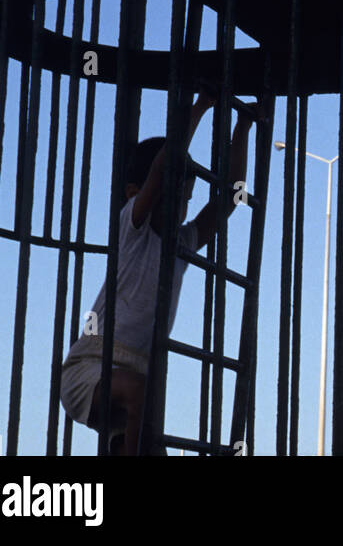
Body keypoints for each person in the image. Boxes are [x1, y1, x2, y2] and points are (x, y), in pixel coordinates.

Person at [59, 86, 259, 454]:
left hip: (138, 381)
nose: (178, 207)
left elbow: (230, 198)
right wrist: (200, 107)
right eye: (168, 197)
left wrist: (242, 128)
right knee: (138, 393)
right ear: (135, 194)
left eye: (184, 199)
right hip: (90, 368)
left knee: (152, 437)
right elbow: (162, 167)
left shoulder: (182, 244)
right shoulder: (132, 227)